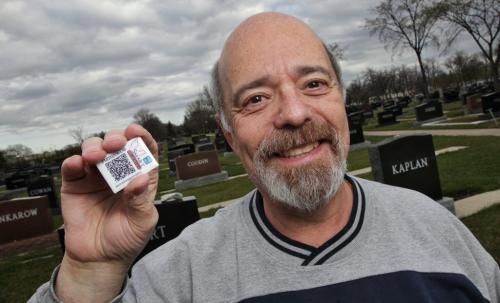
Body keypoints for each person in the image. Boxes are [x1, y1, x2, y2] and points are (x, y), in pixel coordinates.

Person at [31, 12, 499, 303]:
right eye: (255, 98)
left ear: (341, 99)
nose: (294, 113)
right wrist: (89, 273)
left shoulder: (438, 229)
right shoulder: (179, 278)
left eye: (314, 83)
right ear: (230, 135)